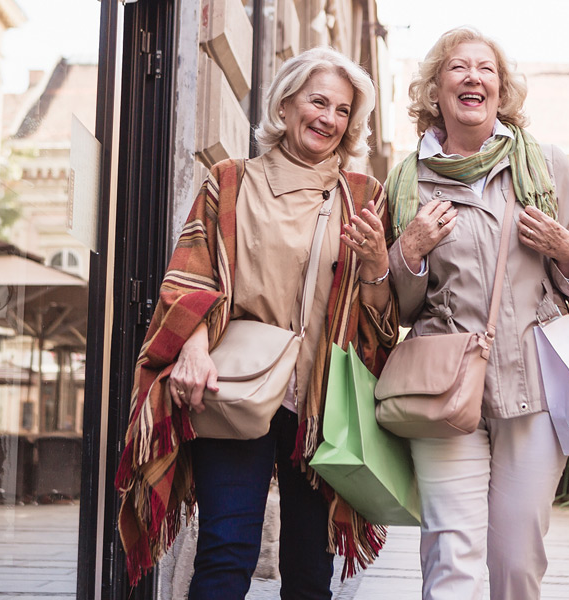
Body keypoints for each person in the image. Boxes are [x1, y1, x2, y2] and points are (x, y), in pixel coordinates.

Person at [116, 46, 398, 598]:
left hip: (321, 401)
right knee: (226, 551)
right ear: (287, 104)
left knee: (310, 569)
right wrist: (192, 349)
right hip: (236, 386)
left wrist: (379, 265)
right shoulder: (231, 181)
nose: (329, 119)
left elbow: (381, 319)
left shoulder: (363, 197)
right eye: (318, 102)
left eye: (342, 111)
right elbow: (192, 275)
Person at [385, 27, 569, 600]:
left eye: (486, 69)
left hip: (533, 386)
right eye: (458, 68)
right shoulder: (407, 179)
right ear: (436, 90)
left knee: (516, 559)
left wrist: (565, 249)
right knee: (451, 553)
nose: (473, 77)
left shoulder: (545, 164)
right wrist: (407, 250)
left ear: (501, 91)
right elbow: (400, 305)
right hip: (444, 384)